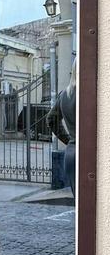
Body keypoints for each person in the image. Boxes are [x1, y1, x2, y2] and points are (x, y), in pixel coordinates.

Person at [46, 57, 77, 197]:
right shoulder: (91, 94)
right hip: (88, 155)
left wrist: (70, 140)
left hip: (71, 155)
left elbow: (51, 120)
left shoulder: (65, 94)